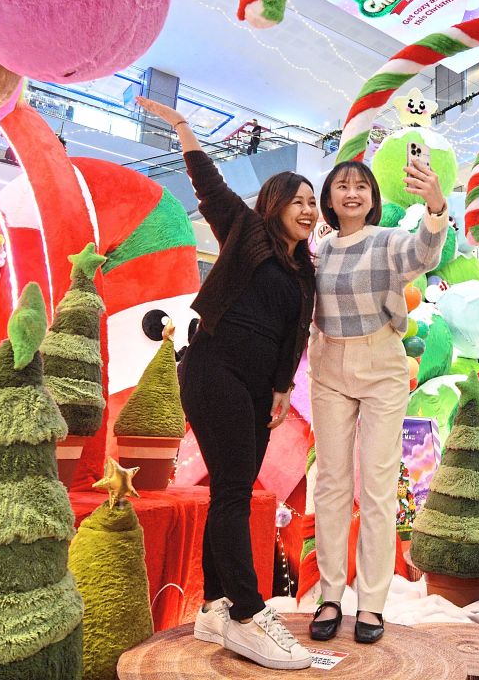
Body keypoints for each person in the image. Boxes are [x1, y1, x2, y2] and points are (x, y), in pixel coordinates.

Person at [140, 96, 317, 671]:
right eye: (300, 200)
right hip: (214, 369)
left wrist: (283, 389)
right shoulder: (246, 231)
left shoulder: (304, 270)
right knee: (237, 492)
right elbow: (211, 185)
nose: (311, 210)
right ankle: (246, 610)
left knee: (232, 491)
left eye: (314, 203)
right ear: (275, 204)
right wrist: (185, 129)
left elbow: (292, 338)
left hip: (257, 387)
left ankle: (217, 606)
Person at [308, 159, 448, 645]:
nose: (352, 193)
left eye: (361, 186)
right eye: (342, 185)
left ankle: (371, 602)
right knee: (330, 482)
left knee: (378, 485)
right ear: (329, 197)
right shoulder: (319, 253)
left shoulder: (388, 242)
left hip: (382, 364)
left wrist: (434, 205)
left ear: (372, 198)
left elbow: (426, 253)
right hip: (327, 364)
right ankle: (329, 594)